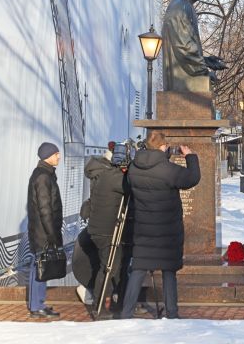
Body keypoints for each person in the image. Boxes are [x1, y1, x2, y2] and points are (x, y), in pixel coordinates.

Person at [120, 132, 201, 319]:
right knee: (168, 271)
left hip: (143, 229)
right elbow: (192, 178)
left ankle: (126, 313)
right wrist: (190, 156)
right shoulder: (167, 169)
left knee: (138, 270)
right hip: (167, 230)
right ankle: (172, 313)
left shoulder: (134, 168)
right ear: (163, 147)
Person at [83, 148, 130, 317]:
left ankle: (115, 301)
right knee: (109, 267)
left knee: (112, 266)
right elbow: (131, 186)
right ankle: (99, 306)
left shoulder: (104, 174)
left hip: (100, 229)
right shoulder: (114, 177)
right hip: (107, 230)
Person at [162, 0, 224, 91]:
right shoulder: (179, 7)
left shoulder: (185, 6)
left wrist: (205, 60)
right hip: (183, 85)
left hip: (184, 82)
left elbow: (185, 45)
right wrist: (204, 72)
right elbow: (185, 48)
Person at [26, 142, 63, 318]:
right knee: (39, 268)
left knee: (42, 268)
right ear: (48, 156)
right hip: (43, 232)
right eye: (56, 154)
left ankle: (39, 303)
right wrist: (52, 234)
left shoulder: (45, 174)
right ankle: (36, 306)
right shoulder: (42, 176)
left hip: (43, 231)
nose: (59, 156)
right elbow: (45, 208)